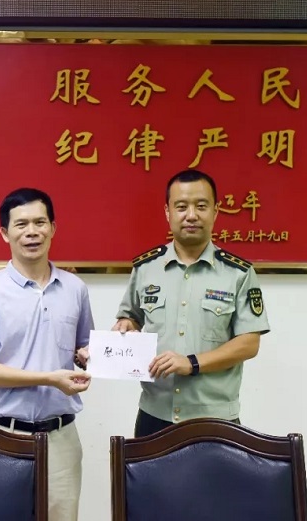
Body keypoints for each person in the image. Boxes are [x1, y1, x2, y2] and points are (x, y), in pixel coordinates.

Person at [0, 187, 93, 521]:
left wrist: (96, 354)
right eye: (21, 224)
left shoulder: (75, 288)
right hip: (3, 435)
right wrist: (49, 378)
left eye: (39, 222)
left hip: (62, 438)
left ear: (53, 228)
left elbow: (82, 350)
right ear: (5, 233)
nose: (31, 232)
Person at [113, 169, 270, 437]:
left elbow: (249, 343)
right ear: (168, 212)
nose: (191, 215)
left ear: (216, 212)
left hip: (215, 417)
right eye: (181, 206)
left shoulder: (238, 273)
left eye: (201, 206)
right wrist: (126, 325)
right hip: (154, 414)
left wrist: (192, 363)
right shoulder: (146, 268)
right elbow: (131, 318)